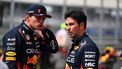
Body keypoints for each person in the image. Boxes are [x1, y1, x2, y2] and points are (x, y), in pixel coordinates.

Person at [2, 4, 58, 69]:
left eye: (43, 19)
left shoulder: (35, 36)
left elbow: (53, 49)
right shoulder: (14, 35)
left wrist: (45, 30)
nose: (41, 21)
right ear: (28, 17)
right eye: (38, 18)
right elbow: (10, 64)